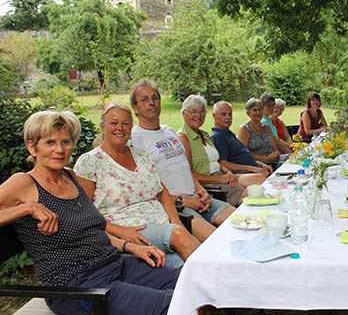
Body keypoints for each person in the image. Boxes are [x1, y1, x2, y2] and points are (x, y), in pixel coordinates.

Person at [0, 110, 180, 315]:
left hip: (114, 264)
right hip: (77, 285)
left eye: (66, 142)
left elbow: (91, 230)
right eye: (50, 142)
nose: (59, 150)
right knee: (172, 305)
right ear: (32, 147)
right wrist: (28, 207)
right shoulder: (23, 183)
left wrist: (130, 247)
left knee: (187, 283)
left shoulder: (71, 177)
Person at [74, 103, 201, 268]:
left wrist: (175, 221)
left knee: (182, 266)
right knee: (190, 253)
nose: (120, 128)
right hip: (128, 229)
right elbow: (84, 212)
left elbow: (161, 191)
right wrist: (120, 231)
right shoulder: (90, 161)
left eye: (125, 123)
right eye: (114, 123)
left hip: (161, 226)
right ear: (102, 126)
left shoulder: (141, 154)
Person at [129, 79, 235, 243]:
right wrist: (181, 201)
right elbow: (143, 189)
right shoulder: (134, 140)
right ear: (135, 108)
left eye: (155, 98)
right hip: (176, 207)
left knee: (239, 222)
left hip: (197, 198)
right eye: (144, 100)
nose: (151, 103)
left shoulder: (169, 131)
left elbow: (185, 167)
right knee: (220, 242)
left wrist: (200, 190)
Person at [177, 95, 264, 206]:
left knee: (260, 179)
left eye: (202, 112)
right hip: (210, 183)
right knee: (254, 193)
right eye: (194, 112)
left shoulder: (204, 134)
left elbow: (218, 161)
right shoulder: (183, 138)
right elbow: (190, 174)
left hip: (222, 175)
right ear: (184, 114)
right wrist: (221, 179)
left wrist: (228, 173)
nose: (198, 116)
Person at [210, 101, 273, 176]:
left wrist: (261, 164)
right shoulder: (218, 136)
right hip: (246, 175)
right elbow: (223, 164)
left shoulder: (228, 133)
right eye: (223, 114)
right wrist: (252, 169)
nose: (228, 117)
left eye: (230, 114)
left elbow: (244, 155)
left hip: (257, 169)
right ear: (214, 116)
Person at [237, 98, 280, 167]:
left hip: (274, 162)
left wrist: (276, 154)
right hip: (258, 164)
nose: (258, 112)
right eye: (254, 110)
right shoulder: (245, 129)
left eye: (260, 109)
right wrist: (266, 159)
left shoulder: (267, 127)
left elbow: (275, 149)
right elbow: (244, 154)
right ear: (248, 113)